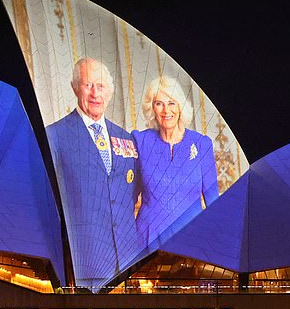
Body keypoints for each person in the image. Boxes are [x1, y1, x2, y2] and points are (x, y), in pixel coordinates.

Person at [46, 58, 141, 290]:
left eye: (101, 86)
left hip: (127, 264)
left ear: (109, 91)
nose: (95, 93)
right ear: (75, 87)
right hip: (85, 264)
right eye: (88, 85)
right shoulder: (55, 136)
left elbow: (133, 191)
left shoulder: (126, 138)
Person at [133, 76, 218, 250]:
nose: (166, 110)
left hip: (192, 239)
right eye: (159, 103)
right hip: (148, 241)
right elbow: (129, 197)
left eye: (171, 103)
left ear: (180, 106)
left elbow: (213, 200)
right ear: (152, 108)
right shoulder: (140, 141)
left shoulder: (202, 144)